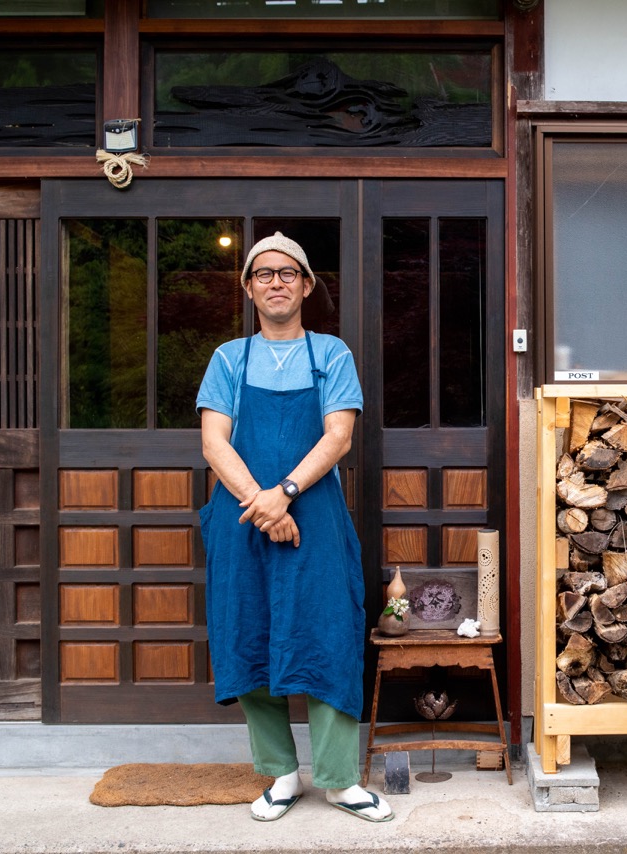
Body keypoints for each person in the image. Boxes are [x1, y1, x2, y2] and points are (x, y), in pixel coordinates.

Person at [196, 232, 392, 823]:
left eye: (288, 272)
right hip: (244, 518)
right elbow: (214, 442)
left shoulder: (331, 355)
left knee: (329, 630)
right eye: (263, 273)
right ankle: (281, 774)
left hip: (315, 517)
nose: (276, 281)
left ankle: (337, 779)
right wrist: (262, 504)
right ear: (248, 287)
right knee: (249, 633)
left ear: (307, 285)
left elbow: (338, 435)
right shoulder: (229, 358)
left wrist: (284, 495)